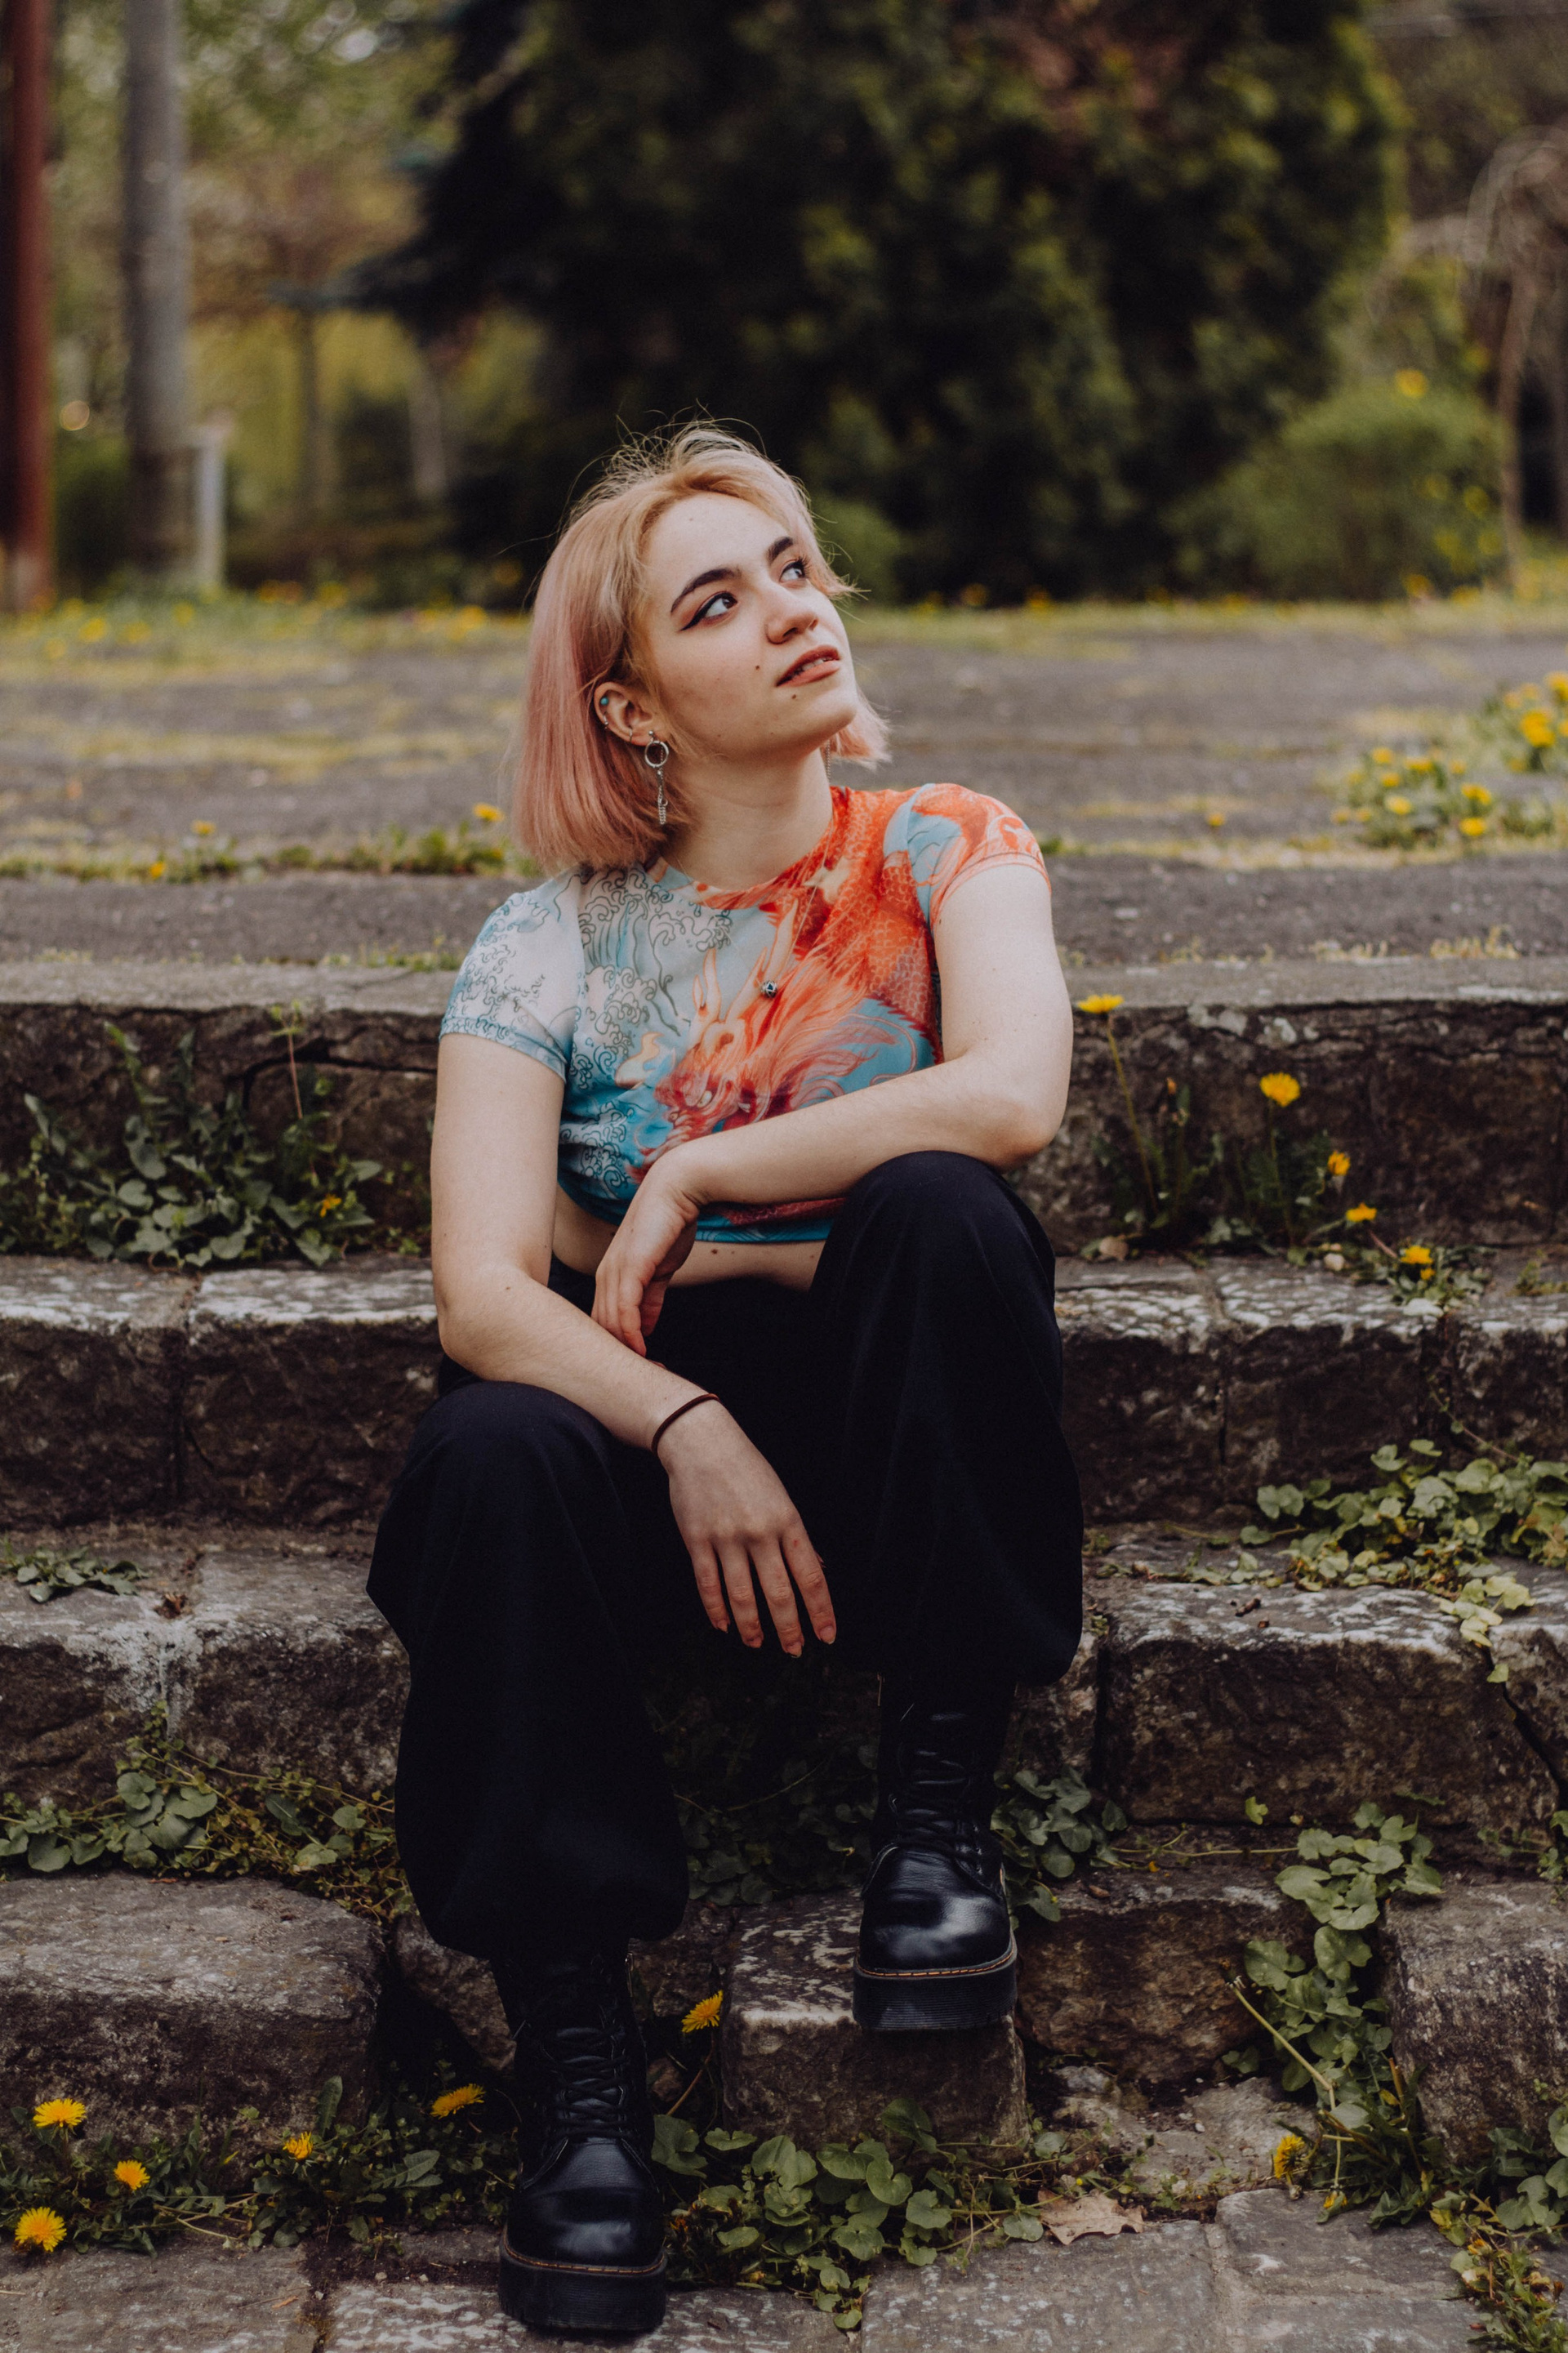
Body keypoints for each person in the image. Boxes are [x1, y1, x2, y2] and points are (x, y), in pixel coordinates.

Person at [368, 427, 1083, 2336]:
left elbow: (1012, 1096)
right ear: (632, 705)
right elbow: (484, 1292)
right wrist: (685, 1421)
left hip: (888, 1444)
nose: (788, 610)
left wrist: (694, 1176)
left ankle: (936, 1822)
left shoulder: (948, 845)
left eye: (792, 567)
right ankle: (581, 2077)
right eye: (716, 600)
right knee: (490, 1449)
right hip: (650, 1472)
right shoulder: (545, 940)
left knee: (946, 1213)